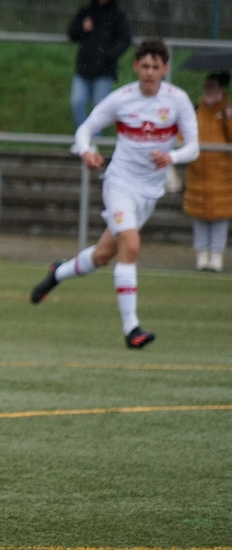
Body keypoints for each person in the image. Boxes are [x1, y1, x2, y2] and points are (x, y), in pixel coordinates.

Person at [30, 37, 199, 349]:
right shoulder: (121, 99)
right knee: (130, 246)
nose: (149, 72)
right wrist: (86, 152)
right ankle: (131, 329)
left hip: (149, 193)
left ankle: (57, 273)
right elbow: (85, 129)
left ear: (165, 69)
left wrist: (171, 157)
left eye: (155, 67)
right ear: (135, 67)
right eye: (144, 66)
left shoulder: (178, 100)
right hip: (119, 184)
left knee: (102, 255)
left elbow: (194, 147)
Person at [183, 71, 232, 272]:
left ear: (220, 88)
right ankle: (202, 255)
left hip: (222, 174)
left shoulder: (227, 110)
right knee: (199, 217)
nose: (208, 90)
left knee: (220, 217)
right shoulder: (195, 109)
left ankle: (216, 255)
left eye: (212, 86)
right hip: (198, 172)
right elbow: (183, 135)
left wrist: (228, 119)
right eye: (207, 86)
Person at [68, 0, 132, 128]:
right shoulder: (86, 12)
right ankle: (82, 135)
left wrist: (109, 55)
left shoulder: (118, 16)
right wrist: (83, 28)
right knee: (77, 101)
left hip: (104, 70)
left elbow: (125, 39)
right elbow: (72, 33)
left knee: (99, 107)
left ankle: (93, 137)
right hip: (83, 67)